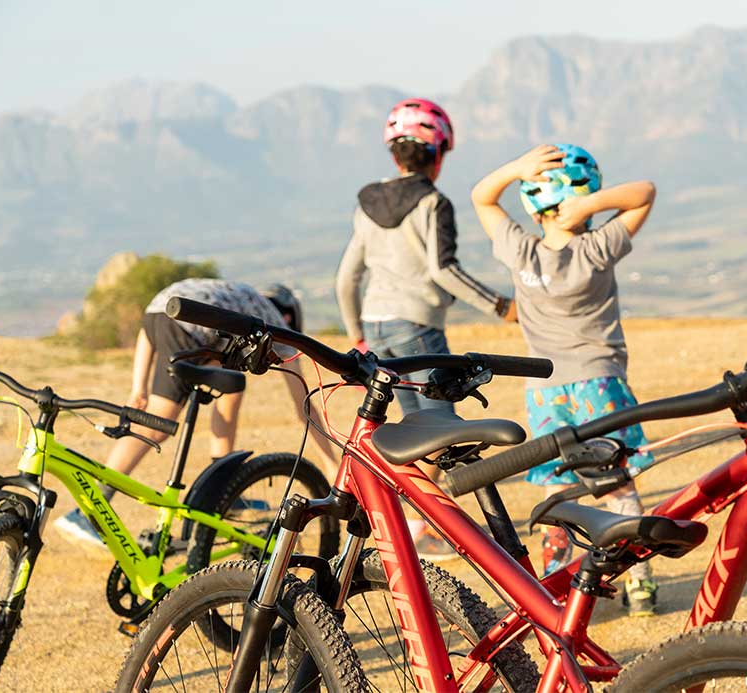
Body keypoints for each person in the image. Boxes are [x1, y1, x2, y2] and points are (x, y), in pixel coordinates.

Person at [471, 143, 659, 616]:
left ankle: (555, 589)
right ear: (585, 194)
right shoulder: (596, 248)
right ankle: (639, 584)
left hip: (545, 392)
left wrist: (516, 168)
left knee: (557, 489)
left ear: (535, 208)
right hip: (601, 383)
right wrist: (591, 206)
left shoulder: (521, 251)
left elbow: (482, 198)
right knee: (617, 483)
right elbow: (644, 193)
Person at [335, 98, 517, 560]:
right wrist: (499, 305)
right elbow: (442, 270)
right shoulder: (434, 202)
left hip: (376, 326)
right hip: (418, 325)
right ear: (438, 154)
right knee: (441, 430)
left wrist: (357, 332)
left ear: (394, 154)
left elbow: (346, 276)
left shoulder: (366, 200)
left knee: (411, 429)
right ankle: (420, 528)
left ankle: (412, 524)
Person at [54, 279, 337, 548]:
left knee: (232, 389)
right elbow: (304, 404)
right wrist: (330, 463)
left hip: (162, 308)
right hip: (186, 321)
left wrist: (138, 387)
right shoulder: (274, 323)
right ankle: (90, 511)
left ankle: (224, 492)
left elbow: (150, 324)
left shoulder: (240, 306)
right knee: (157, 425)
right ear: (290, 318)